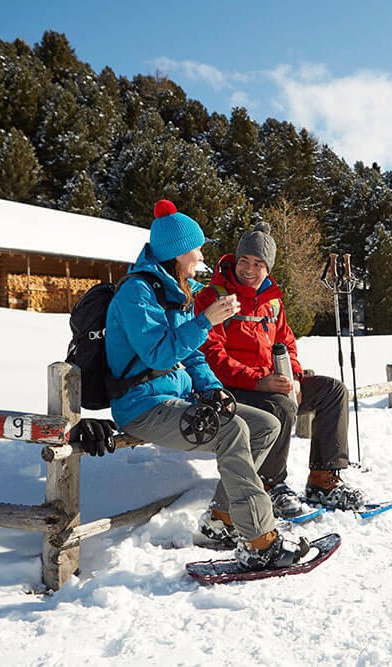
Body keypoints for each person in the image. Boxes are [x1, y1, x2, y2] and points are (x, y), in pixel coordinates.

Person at [81, 200, 309, 570]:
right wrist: (204, 321)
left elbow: (192, 356)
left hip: (176, 397)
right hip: (143, 406)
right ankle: (260, 541)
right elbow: (157, 355)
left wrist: (213, 388)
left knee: (266, 424)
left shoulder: (178, 289)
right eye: (196, 248)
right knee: (232, 429)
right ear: (176, 252)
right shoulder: (137, 294)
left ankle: (222, 520)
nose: (202, 254)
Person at [194, 221, 366, 517]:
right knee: (281, 405)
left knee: (332, 390)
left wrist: (295, 378)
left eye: (259, 263)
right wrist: (260, 381)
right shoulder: (215, 297)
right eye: (244, 261)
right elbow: (211, 357)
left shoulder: (272, 302)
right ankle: (270, 484)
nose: (249, 269)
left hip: (271, 383)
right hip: (231, 390)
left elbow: (287, 343)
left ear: (268, 268)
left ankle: (323, 480)